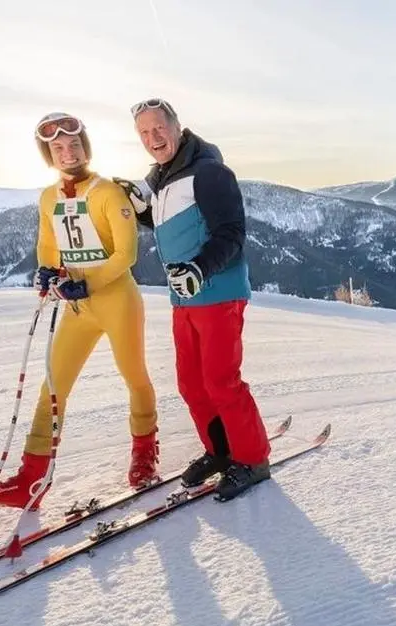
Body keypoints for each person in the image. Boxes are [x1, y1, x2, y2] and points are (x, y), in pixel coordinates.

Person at [0, 112, 160, 510]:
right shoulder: (48, 197)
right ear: (48, 154)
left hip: (116, 300)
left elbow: (126, 255)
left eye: (73, 144)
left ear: (85, 147)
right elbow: (48, 244)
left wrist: (88, 283)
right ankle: (31, 479)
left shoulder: (108, 192)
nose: (67, 152)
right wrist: (48, 270)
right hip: (77, 305)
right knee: (52, 387)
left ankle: (145, 453)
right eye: (57, 147)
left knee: (134, 376)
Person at [117, 98, 271, 501]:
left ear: (177, 127)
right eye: (144, 133)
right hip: (184, 298)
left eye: (158, 128)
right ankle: (220, 451)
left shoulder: (208, 172)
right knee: (192, 384)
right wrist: (141, 212)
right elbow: (176, 224)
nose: (153, 138)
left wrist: (200, 268)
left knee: (221, 380)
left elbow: (232, 233)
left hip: (218, 293)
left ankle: (252, 459)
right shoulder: (164, 177)